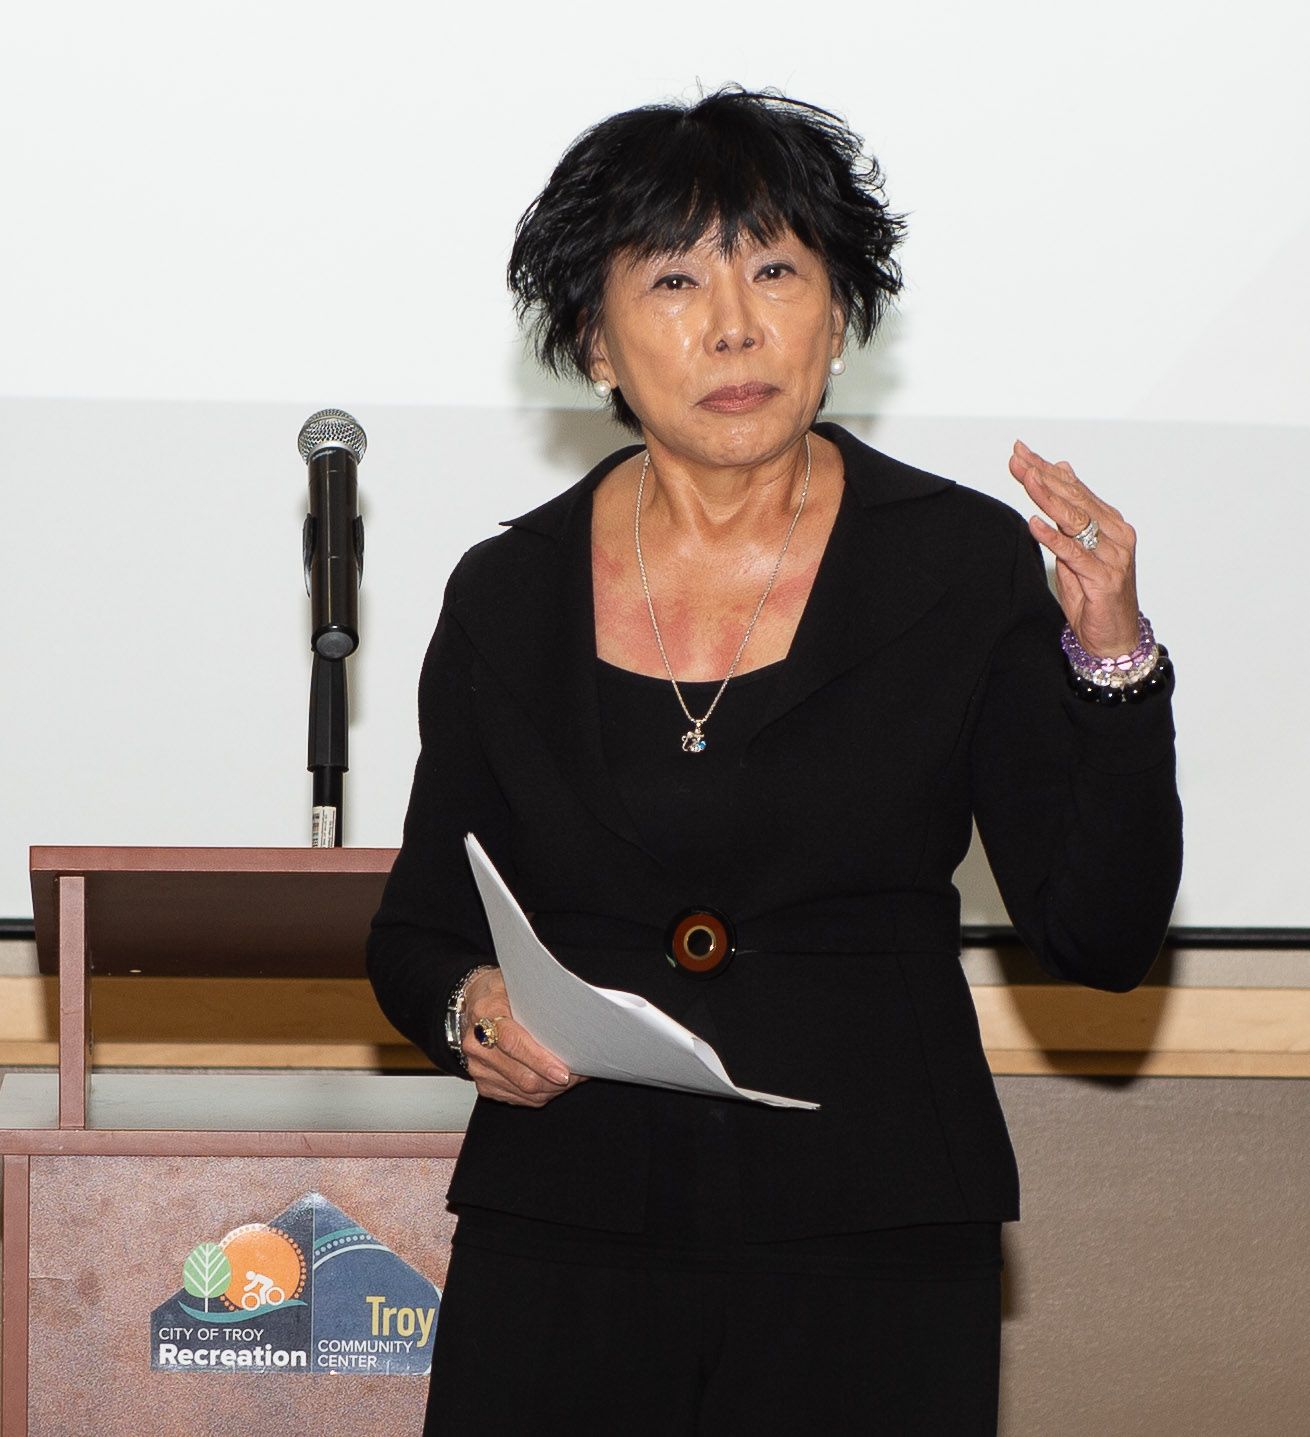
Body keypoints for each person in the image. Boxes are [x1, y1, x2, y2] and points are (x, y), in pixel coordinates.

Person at [367, 87, 1182, 1436]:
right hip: (570, 1225)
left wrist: (1113, 664)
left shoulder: (958, 566)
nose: (733, 324)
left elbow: (1098, 937)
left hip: (870, 1233)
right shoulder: (506, 593)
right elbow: (416, 934)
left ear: (840, 316)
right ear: (593, 342)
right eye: (674, 279)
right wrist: (468, 1010)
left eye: (777, 272)